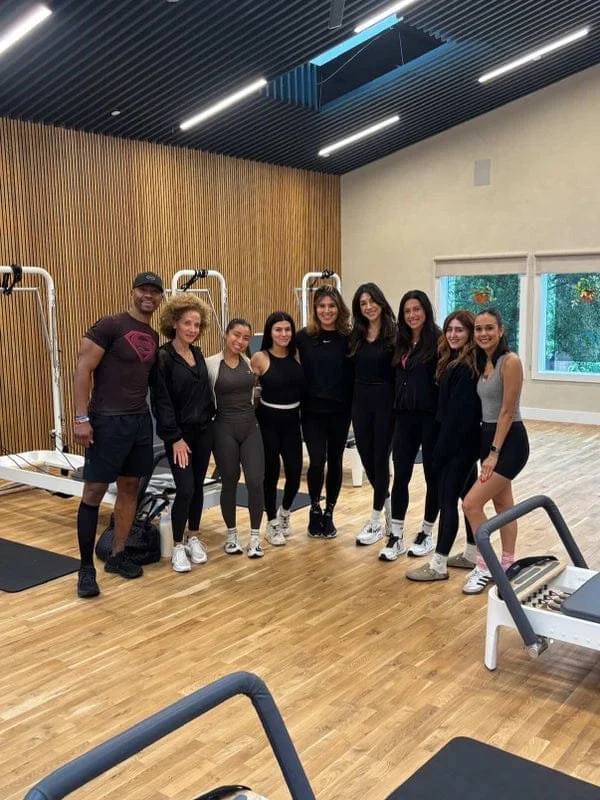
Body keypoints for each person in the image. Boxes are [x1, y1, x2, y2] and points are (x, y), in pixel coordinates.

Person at [73, 271, 164, 598]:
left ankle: (118, 554)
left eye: (155, 291)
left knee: (129, 488)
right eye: (143, 289)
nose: (148, 296)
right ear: (132, 292)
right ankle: (86, 569)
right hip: (107, 421)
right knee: (94, 490)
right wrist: (82, 418)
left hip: (139, 423)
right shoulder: (110, 325)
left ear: (160, 298)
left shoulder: (151, 335)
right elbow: (84, 368)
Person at [406, 310, 480, 582]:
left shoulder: (464, 368)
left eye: (459, 330)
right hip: (465, 445)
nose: (452, 334)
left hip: (458, 445)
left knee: (446, 500)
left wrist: (439, 453)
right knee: (466, 499)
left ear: (469, 333)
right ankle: (472, 553)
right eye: (449, 329)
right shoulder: (457, 361)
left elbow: (456, 418)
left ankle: (438, 565)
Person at [461, 307, 529, 594]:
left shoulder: (510, 362)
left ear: (501, 330)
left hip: (509, 440)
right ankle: (507, 564)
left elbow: (506, 411)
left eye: (489, 328)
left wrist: (493, 453)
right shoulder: (482, 361)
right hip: (488, 436)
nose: (483, 334)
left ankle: (485, 565)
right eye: (478, 328)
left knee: (471, 504)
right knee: (503, 506)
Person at [151, 294, 215, 573]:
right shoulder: (163, 357)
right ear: (174, 323)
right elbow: (161, 402)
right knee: (186, 489)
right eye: (187, 323)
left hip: (204, 431)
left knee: (198, 487)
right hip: (179, 436)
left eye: (197, 325)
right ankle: (177, 545)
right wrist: (174, 438)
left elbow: (203, 393)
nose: (192, 329)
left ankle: (194, 538)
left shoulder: (198, 353)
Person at [380, 290, 441, 562]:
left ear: (425, 311)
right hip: (403, 419)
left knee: (432, 477)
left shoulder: (439, 342)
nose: (412, 315)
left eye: (416, 309)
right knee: (401, 476)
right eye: (407, 311)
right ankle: (396, 535)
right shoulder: (399, 342)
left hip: (431, 419)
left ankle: (427, 532)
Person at [296, 285, 353, 538]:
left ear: (339, 308)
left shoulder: (350, 338)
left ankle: (330, 512)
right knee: (317, 461)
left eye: (331, 306)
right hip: (312, 412)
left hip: (340, 411)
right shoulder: (303, 337)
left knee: (336, 461)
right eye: (322, 306)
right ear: (315, 309)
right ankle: (315, 508)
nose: (327, 310)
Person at [206, 319, 265, 558]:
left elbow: (258, 394)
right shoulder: (210, 364)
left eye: (245, 338)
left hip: (250, 427)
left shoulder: (251, 365)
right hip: (223, 428)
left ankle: (254, 537)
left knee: (255, 481)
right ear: (226, 334)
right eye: (236, 335)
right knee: (229, 480)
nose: (240, 341)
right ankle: (231, 535)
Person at [349, 283, 396, 545]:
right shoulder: (355, 335)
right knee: (368, 460)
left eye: (372, 301)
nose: (368, 306)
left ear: (380, 301)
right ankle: (389, 512)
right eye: (363, 303)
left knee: (380, 459)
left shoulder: (394, 335)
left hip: (385, 403)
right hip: (360, 402)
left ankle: (376, 520)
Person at [252, 312, 304, 546]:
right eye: (278, 330)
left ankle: (284, 512)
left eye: (287, 330)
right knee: (270, 475)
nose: (283, 334)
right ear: (269, 332)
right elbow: (247, 392)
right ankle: (271, 522)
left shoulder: (297, 355)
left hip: (293, 421)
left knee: (294, 474)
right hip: (268, 422)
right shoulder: (260, 358)